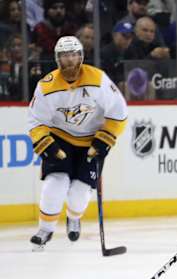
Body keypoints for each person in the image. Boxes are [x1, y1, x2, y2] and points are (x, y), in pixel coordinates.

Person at [27, 36, 127, 249]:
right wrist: (47, 145)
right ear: (57, 58)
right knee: (56, 183)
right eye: (65, 55)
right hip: (60, 137)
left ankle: (73, 218)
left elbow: (119, 112)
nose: (70, 60)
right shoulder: (46, 86)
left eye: (73, 54)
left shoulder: (98, 79)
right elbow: (36, 121)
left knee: (80, 192)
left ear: (81, 56)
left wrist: (103, 142)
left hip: (92, 140)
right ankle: (45, 230)